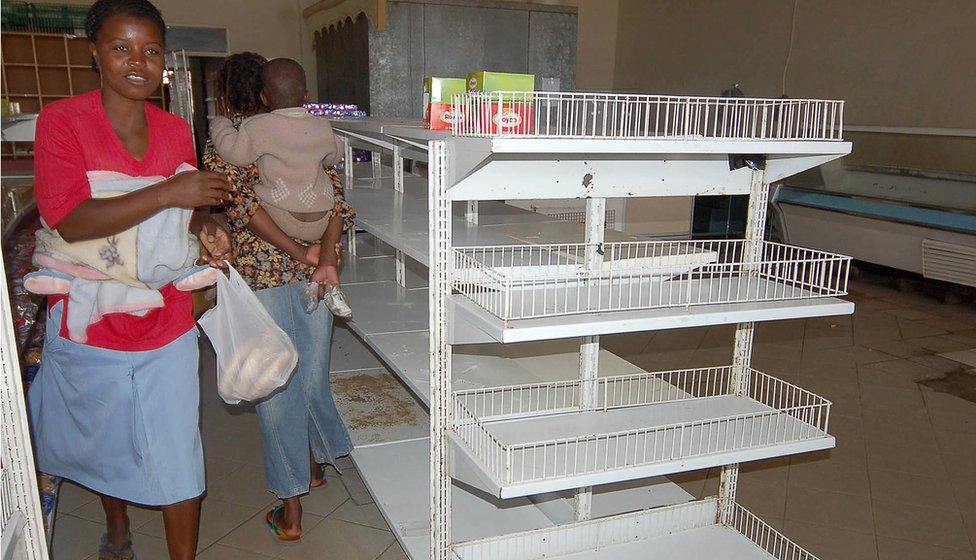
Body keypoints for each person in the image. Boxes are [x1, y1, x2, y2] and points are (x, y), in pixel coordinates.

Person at [26, 1, 233, 559]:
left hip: (165, 317)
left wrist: (205, 226)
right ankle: (116, 526)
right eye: (121, 47)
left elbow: (181, 216)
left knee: (177, 450)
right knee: (103, 440)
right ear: (94, 52)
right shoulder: (63, 123)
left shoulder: (172, 130)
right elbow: (68, 217)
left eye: (151, 49)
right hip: (91, 317)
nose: (138, 62)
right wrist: (170, 193)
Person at [203, 53, 354, 542]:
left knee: (275, 385)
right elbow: (337, 201)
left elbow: (241, 208)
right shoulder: (312, 132)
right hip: (314, 270)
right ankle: (312, 467)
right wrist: (324, 256)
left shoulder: (232, 144)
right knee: (310, 374)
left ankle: (291, 510)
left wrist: (300, 252)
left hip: (261, 277)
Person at [209, 58, 350, 316]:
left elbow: (241, 193)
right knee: (313, 353)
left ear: (265, 96)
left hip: (272, 246)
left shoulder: (252, 130)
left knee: (273, 352)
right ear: (305, 95)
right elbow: (335, 171)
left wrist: (219, 125)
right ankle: (320, 292)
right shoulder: (320, 126)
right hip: (319, 228)